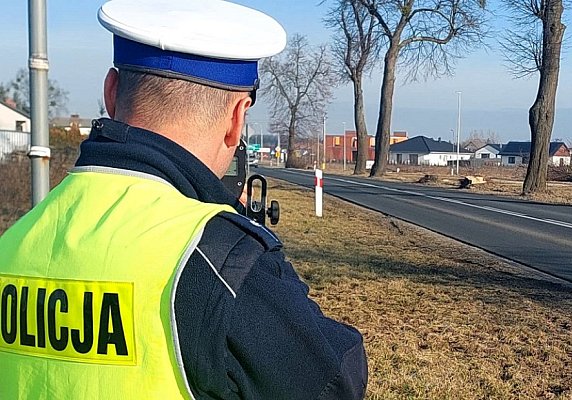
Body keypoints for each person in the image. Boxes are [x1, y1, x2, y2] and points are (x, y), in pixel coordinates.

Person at [0, 1, 367, 398]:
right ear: (236, 119)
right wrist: (252, 248)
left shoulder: (15, 240)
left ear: (110, 91)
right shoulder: (221, 261)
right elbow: (336, 381)